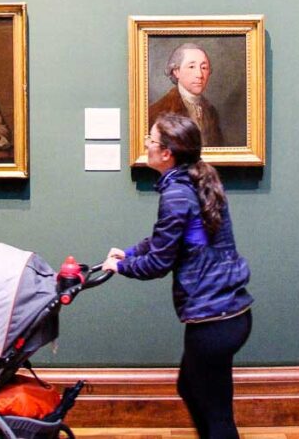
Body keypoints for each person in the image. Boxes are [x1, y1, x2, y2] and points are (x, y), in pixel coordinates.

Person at [102, 114, 252, 438]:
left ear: (167, 153)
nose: (145, 144)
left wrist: (121, 267)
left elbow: (158, 262)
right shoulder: (194, 181)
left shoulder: (177, 193)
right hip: (230, 315)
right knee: (198, 391)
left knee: (214, 413)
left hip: (212, 320)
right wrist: (127, 253)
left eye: (151, 140)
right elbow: (164, 240)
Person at [148, 43, 223, 146]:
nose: (200, 75)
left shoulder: (211, 112)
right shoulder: (158, 111)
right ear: (176, 71)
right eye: (191, 67)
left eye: (204, 68)